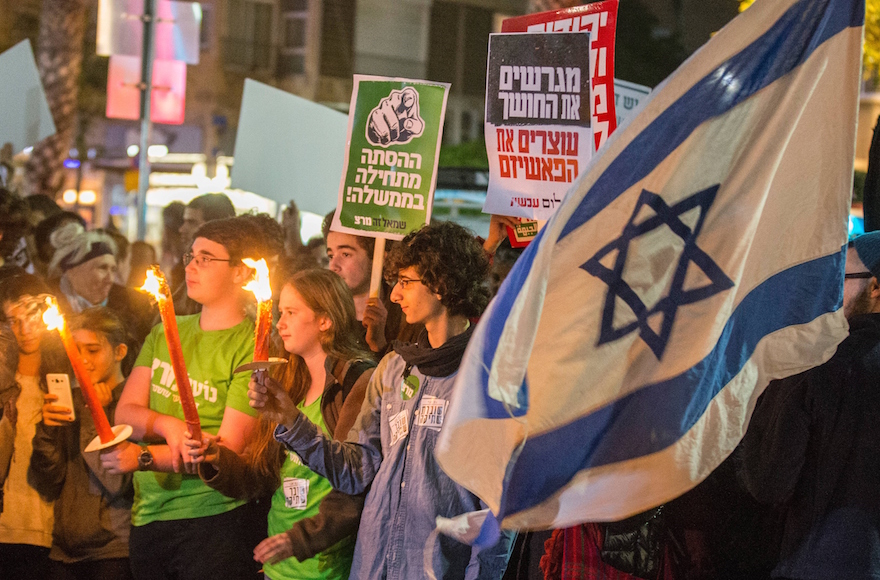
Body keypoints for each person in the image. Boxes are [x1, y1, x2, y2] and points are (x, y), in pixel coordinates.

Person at [250, 221, 515, 579]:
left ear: (441, 285)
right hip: (374, 567)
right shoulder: (394, 368)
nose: (394, 295)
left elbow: (499, 511)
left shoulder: (489, 379)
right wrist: (291, 421)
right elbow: (356, 471)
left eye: (406, 282)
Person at [104, 216, 267, 580]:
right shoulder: (165, 332)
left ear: (241, 272)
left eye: (206, 258)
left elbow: (227, 449)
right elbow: (126, 411)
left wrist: (143, 456)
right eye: (191, 256)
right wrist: (169, 424)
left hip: (212, 517)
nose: (191, 266)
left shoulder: (251, 345)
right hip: (149, 513)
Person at [185, 268, 376, 579]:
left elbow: (353, 484)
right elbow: (263, 475)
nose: (279, 323)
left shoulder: (355, 382)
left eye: (291, 312)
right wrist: (217, 459)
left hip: (326, 567)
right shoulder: (289, 381)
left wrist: (301, 539)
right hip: (278, 564)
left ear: (324, 320)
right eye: (279, 312)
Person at [740, 232, 880, 580]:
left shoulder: (815, 365)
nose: (830, 293)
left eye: (839, 278)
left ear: (875, 287)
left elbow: (769, 483)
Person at [29, 307, 135, 580]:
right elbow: (48, 482)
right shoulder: (71, 400)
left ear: (119, 352)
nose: (82, 360)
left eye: (92, 350)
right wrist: (47, 432)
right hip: (64, 551)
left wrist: (94, 415)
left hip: (113, 550)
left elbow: (116, 482)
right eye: (76, 350)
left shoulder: (133, 401)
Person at [0, 274, 56, 579]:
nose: (25, 330)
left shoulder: (63, 380)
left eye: (32, 318)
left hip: (43, 525)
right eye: (13, 320)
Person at [47, 222, 156, 346]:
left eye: (113, 270)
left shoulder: (131, 305)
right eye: (102, 268)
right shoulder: (47, 302)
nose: (110, 278)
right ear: (74, 271)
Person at [171, 193, 237, 315]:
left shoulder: (231, 277)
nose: (182, 229)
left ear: (214, 225)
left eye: (192, 222)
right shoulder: (182, 268)